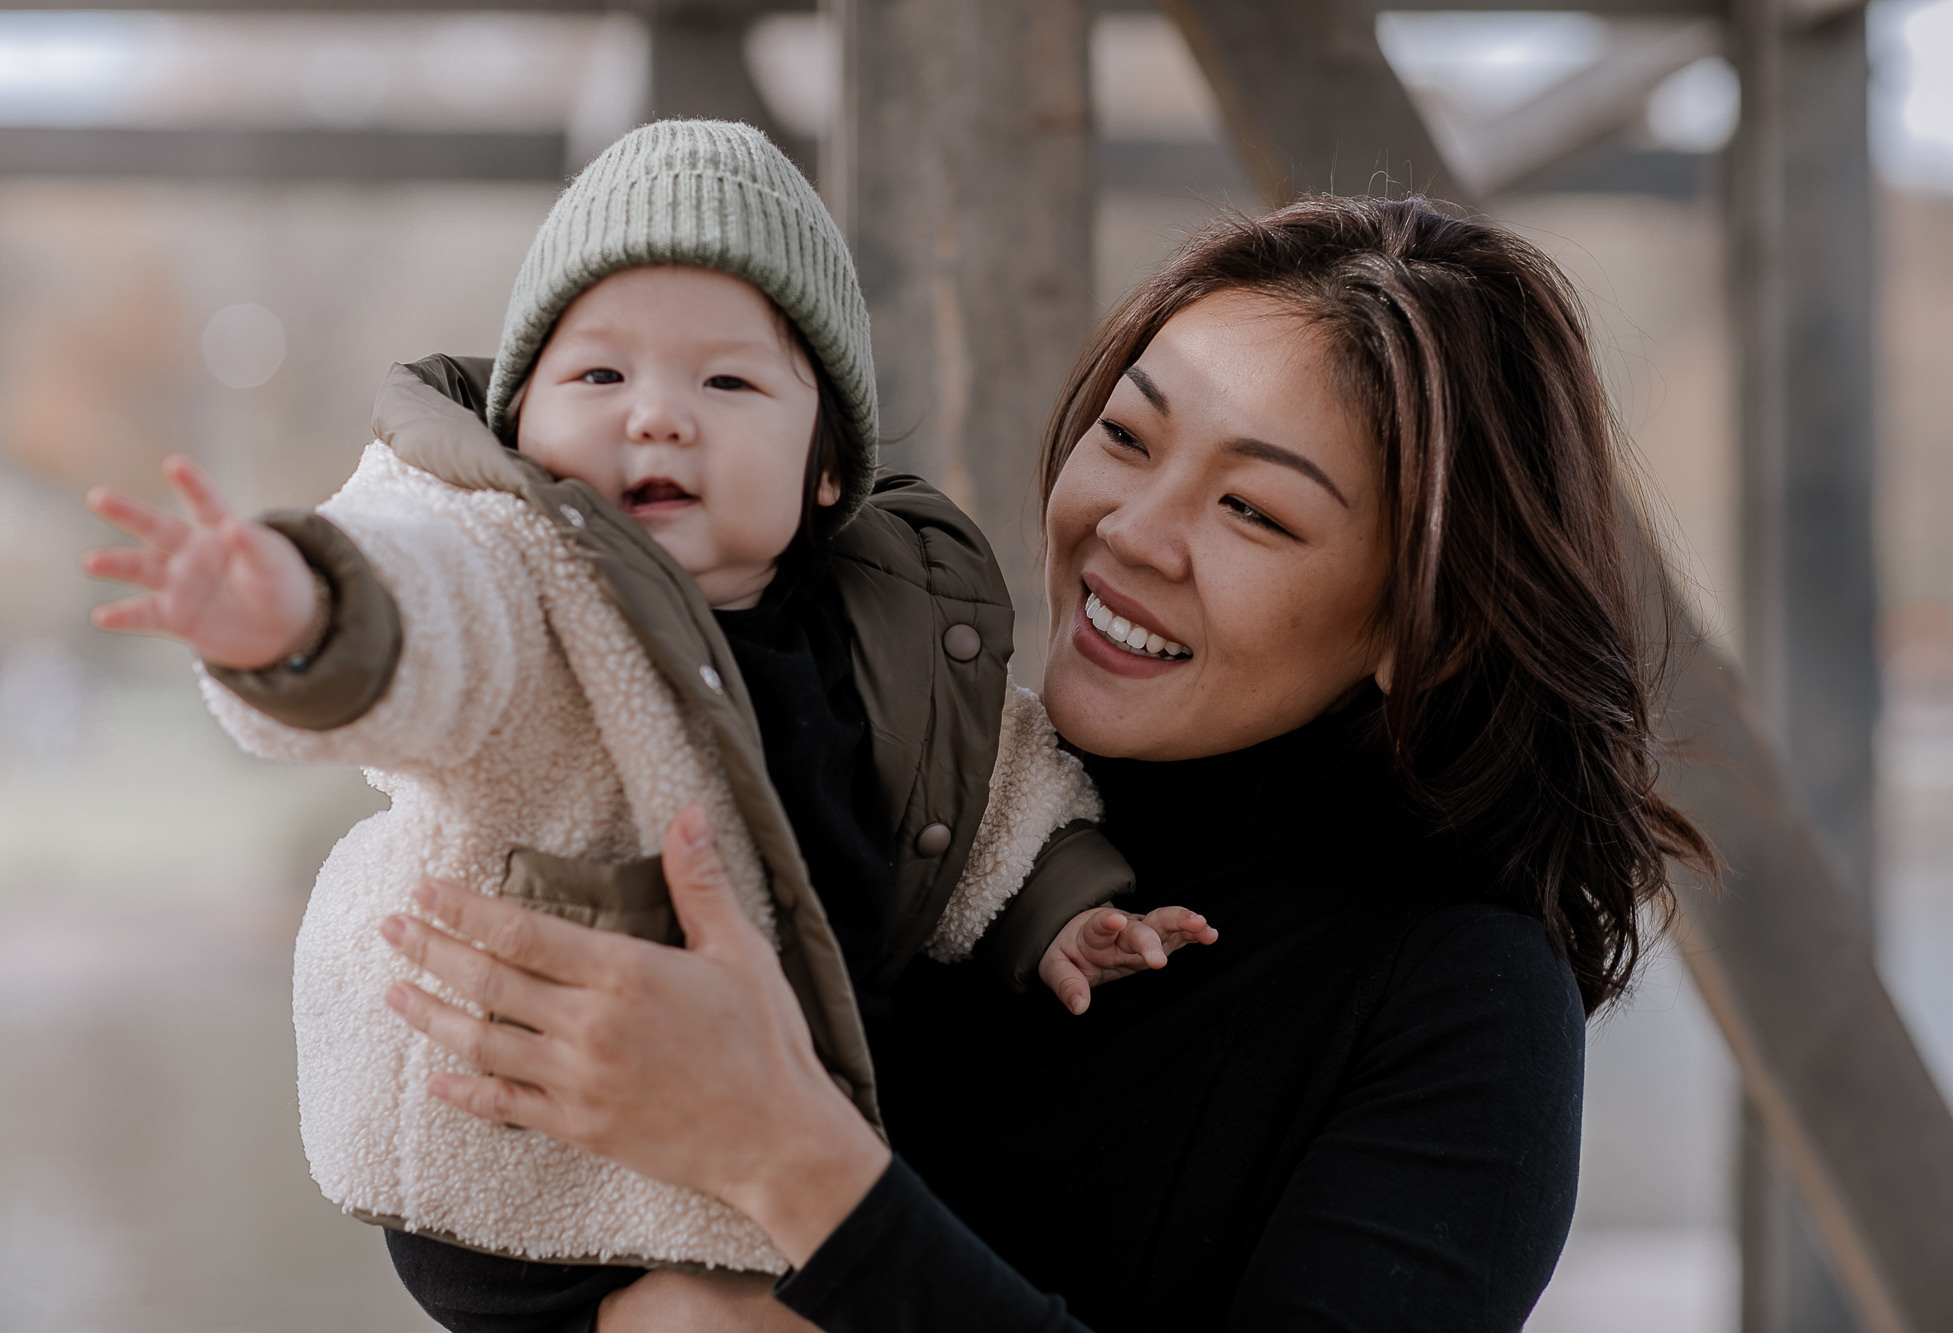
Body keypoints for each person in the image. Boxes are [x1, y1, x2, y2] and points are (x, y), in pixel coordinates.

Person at [377, 194, 1716, 1332]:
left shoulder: (1458, 996)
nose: (1132, 528)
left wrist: (787, 1154)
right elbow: (488, 1200)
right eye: (1126, 438)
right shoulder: (923, 781)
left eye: (1253, 509)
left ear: (1422, 632)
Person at [76, 120, 1215, 1294]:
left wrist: (1059, 908)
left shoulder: (888, 625)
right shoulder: (526, 575)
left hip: (758, 1146)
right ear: (520, 424)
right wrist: (303, 612)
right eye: (599, 375)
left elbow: (983, 791)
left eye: (725, 381)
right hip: (518, 1175)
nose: (657, 415)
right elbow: (433, 617)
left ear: (827, 469)